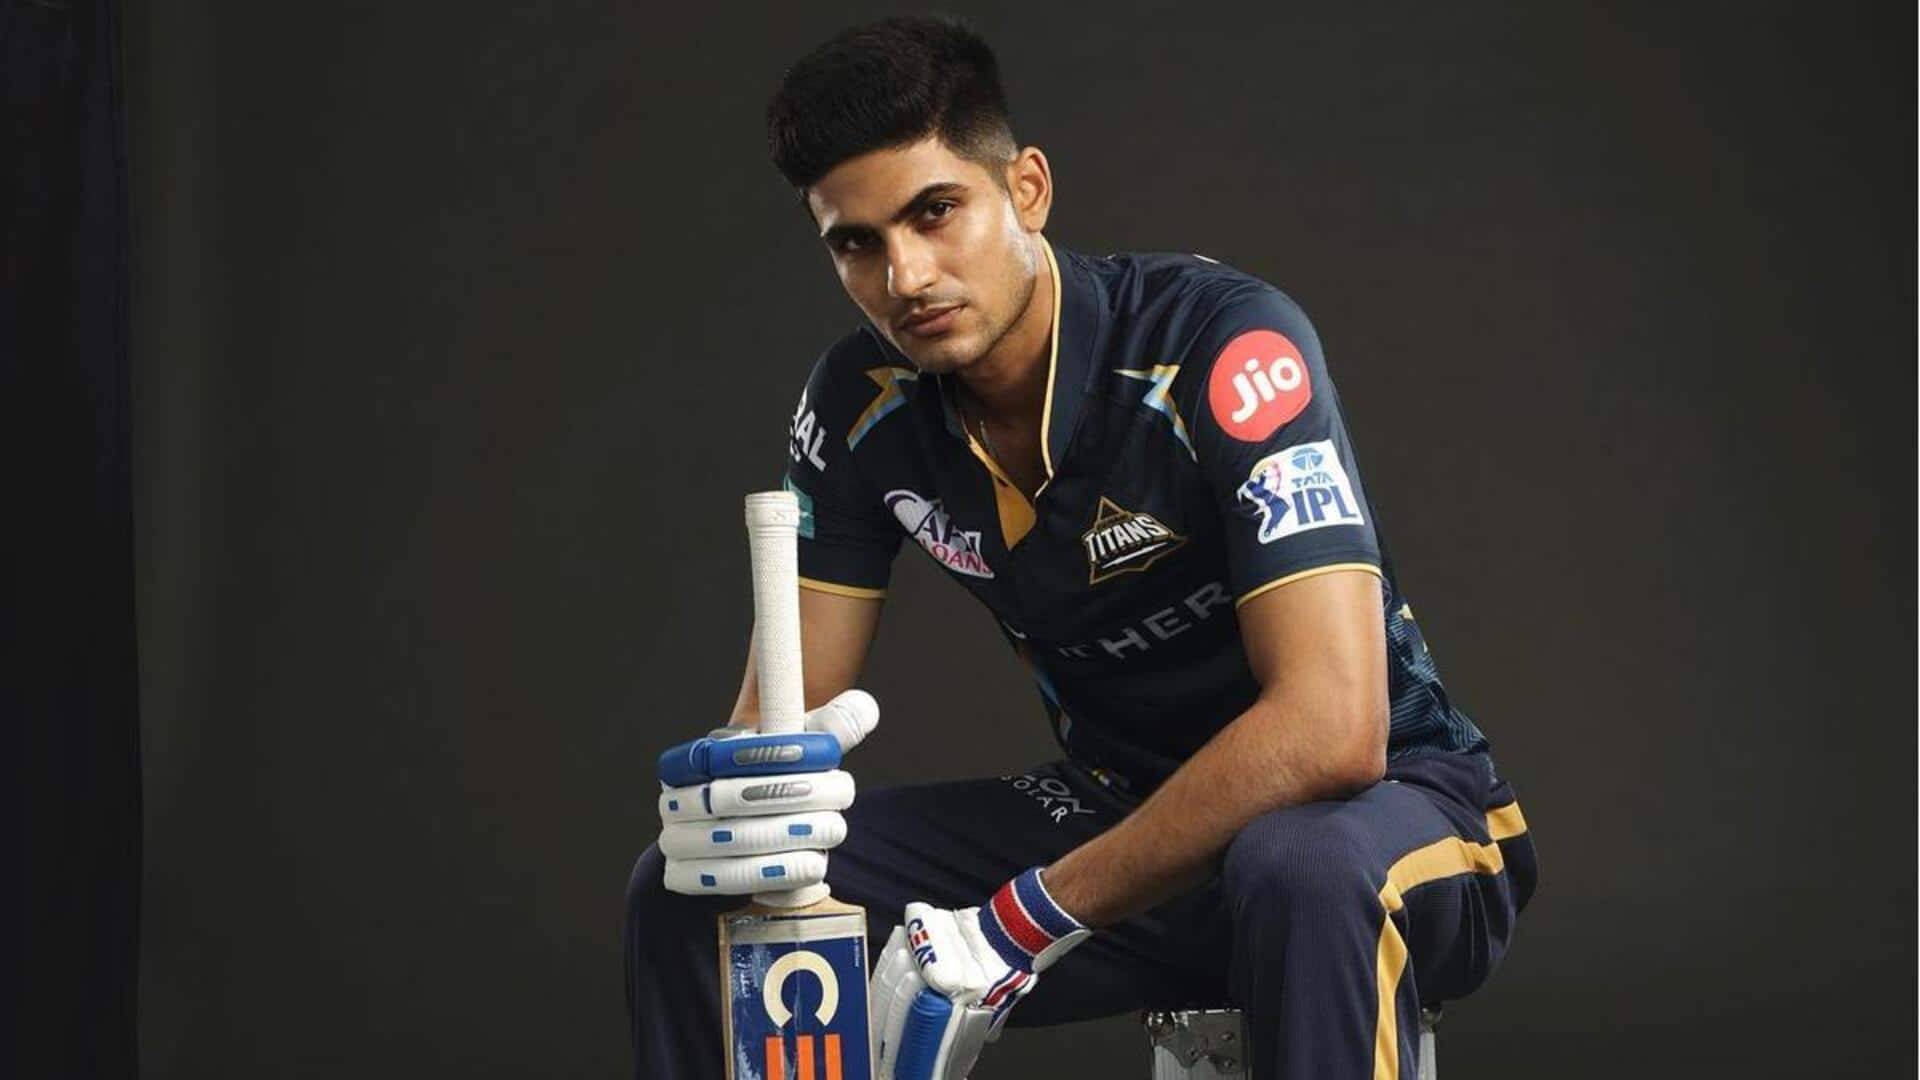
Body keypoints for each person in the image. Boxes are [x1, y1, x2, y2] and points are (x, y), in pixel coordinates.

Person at [627, 15, 1538, 1079]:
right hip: (1123, 820)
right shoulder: (860, 404)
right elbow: (783, 715)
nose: (906, 277)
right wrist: (737, 799)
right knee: (692, 893)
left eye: (935, 212)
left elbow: (1335, 730)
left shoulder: (1223, 342)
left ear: (1027, 189)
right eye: (857, 243)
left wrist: (1024, 920)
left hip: (1389, 819)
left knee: (1299, 864)